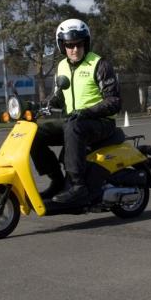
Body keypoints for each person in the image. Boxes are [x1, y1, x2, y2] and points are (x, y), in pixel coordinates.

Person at [30, 19, 121, 204]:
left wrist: (87, 112)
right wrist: (36, 106)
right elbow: (58, 97)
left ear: (85, 43)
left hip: (101, 123)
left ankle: (78, 186)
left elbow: (114, 101)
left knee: (73, 126)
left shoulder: (99, 64)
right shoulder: (62, 66)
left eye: (79, 44)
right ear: (62, 46)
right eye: (69, 45)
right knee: (34, 134)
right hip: (76, 121)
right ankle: (57, 181)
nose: (75, 49)